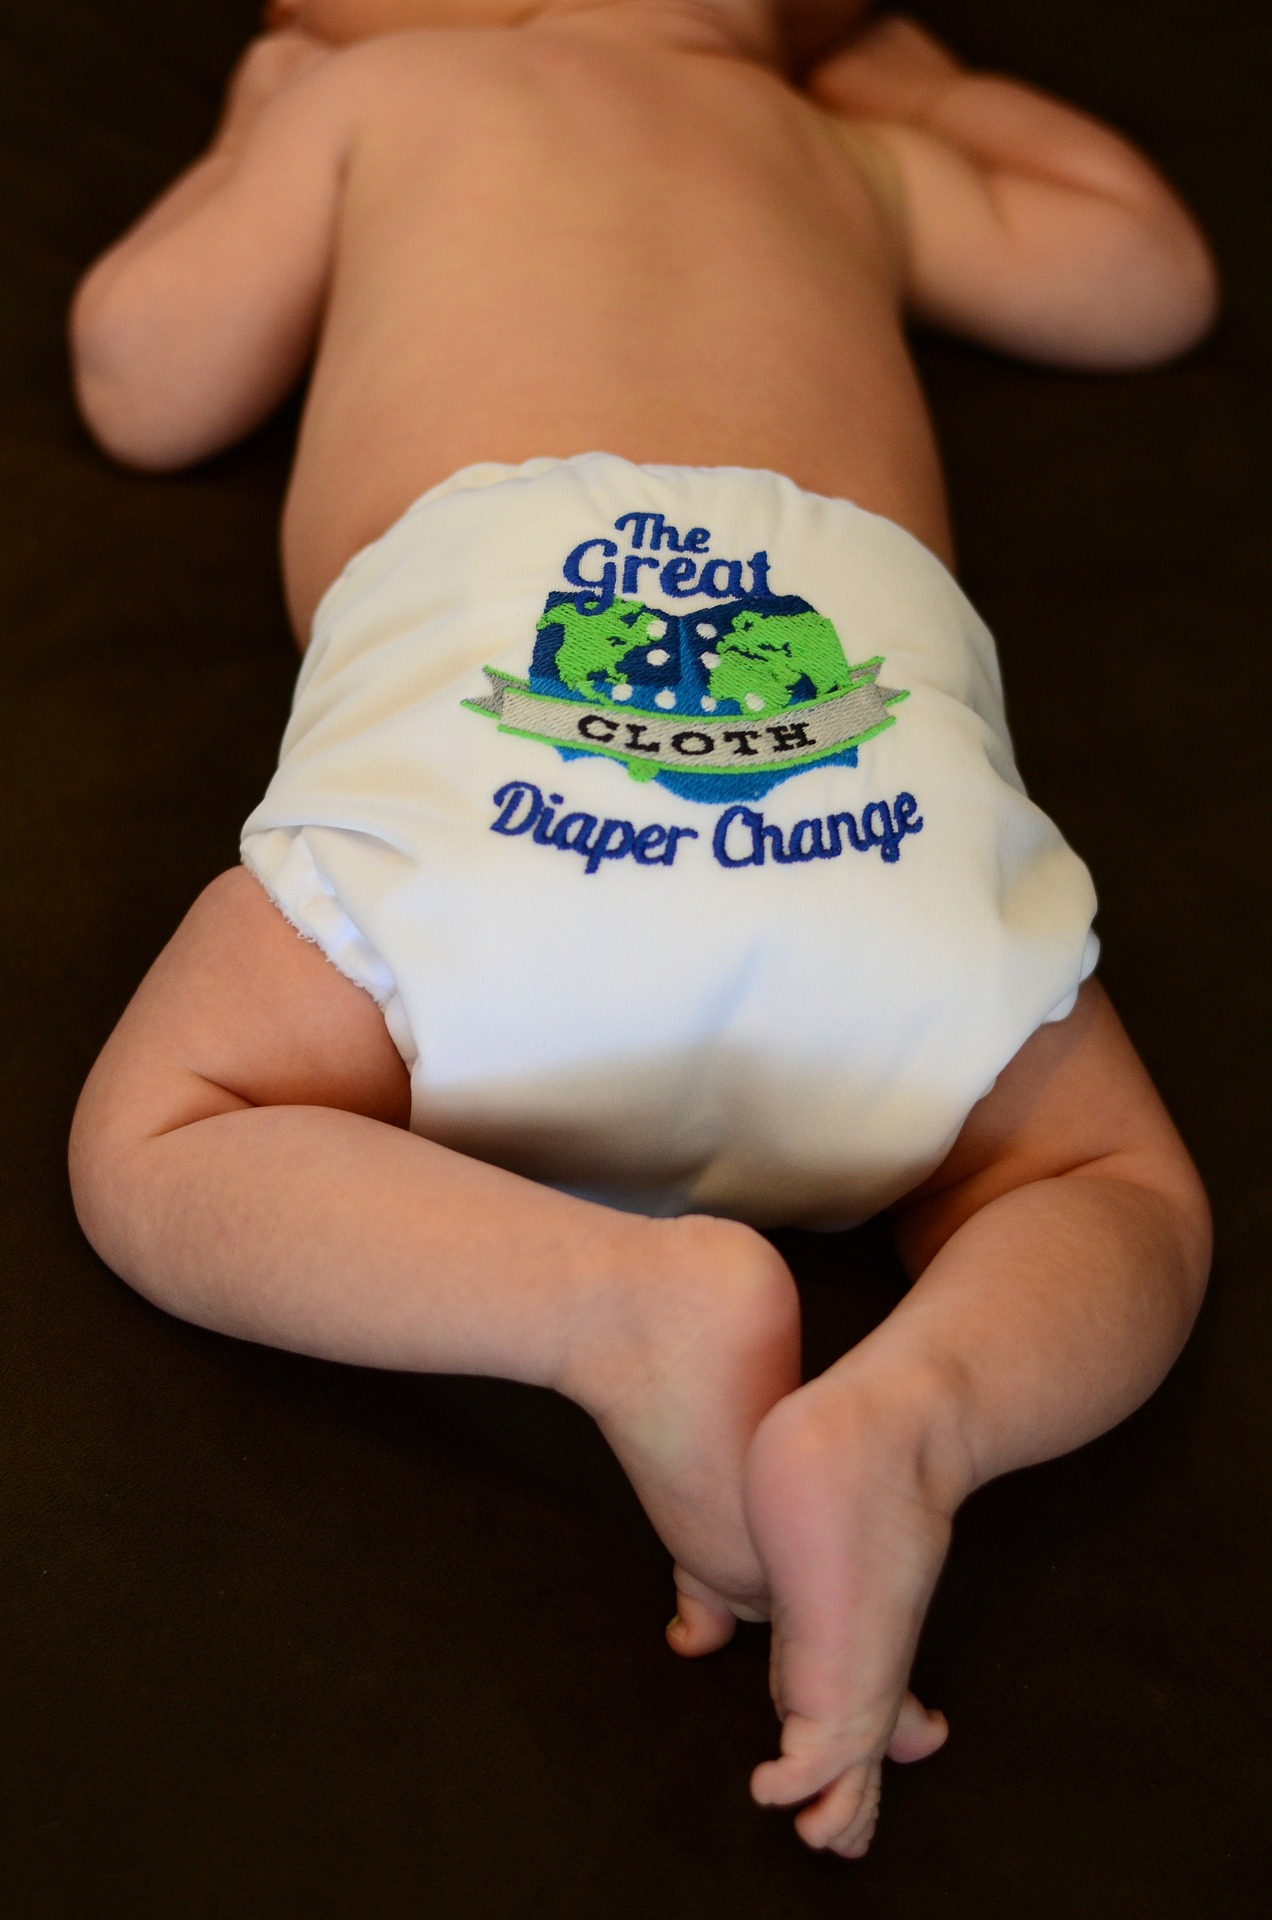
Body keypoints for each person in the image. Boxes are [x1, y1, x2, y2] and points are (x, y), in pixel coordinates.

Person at [66, 0, 1216, 1859]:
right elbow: (1149, 279)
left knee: (162, 1130)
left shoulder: (388, 92)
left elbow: (140, 379)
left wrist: (257, 127)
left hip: (505, 684)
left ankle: (613, 1304)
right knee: (1113, 1191)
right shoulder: (827, 150)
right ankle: (927, 1406)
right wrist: (923, 90)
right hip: (848, 717)